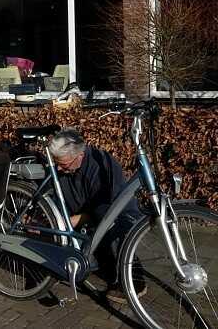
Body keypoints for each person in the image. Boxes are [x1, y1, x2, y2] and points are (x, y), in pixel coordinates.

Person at [48, 129, 145, 303]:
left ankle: (133, 281)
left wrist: (77, 219)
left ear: (79, 156)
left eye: (64, 164)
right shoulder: (66, 167)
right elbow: (57, 197)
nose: (58, 168)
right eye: (57, 163)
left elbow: (109, 209)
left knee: (116, 225)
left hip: (113, 215)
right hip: (83, 217)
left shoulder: (102, 165)